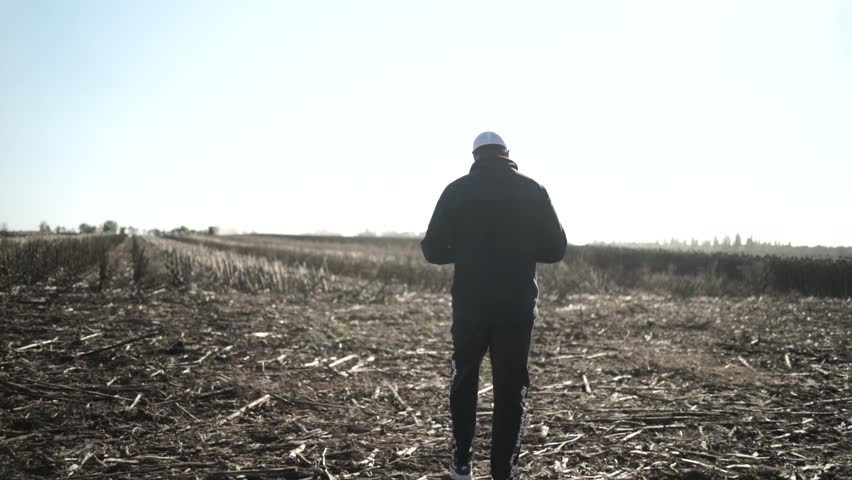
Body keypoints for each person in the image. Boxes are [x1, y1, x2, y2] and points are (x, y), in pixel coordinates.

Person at [421, 131, 567, 480]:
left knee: (464, 377)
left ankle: (461, 464)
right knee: (510, 385)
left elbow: (432, 251)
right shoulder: (533, 190)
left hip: (471, 304)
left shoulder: (456, 191)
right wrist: (520, 250)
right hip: (516, 306)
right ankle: (504, 470)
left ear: (475, 157)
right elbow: (556, 248)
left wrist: (466, 251)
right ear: (507, 153)